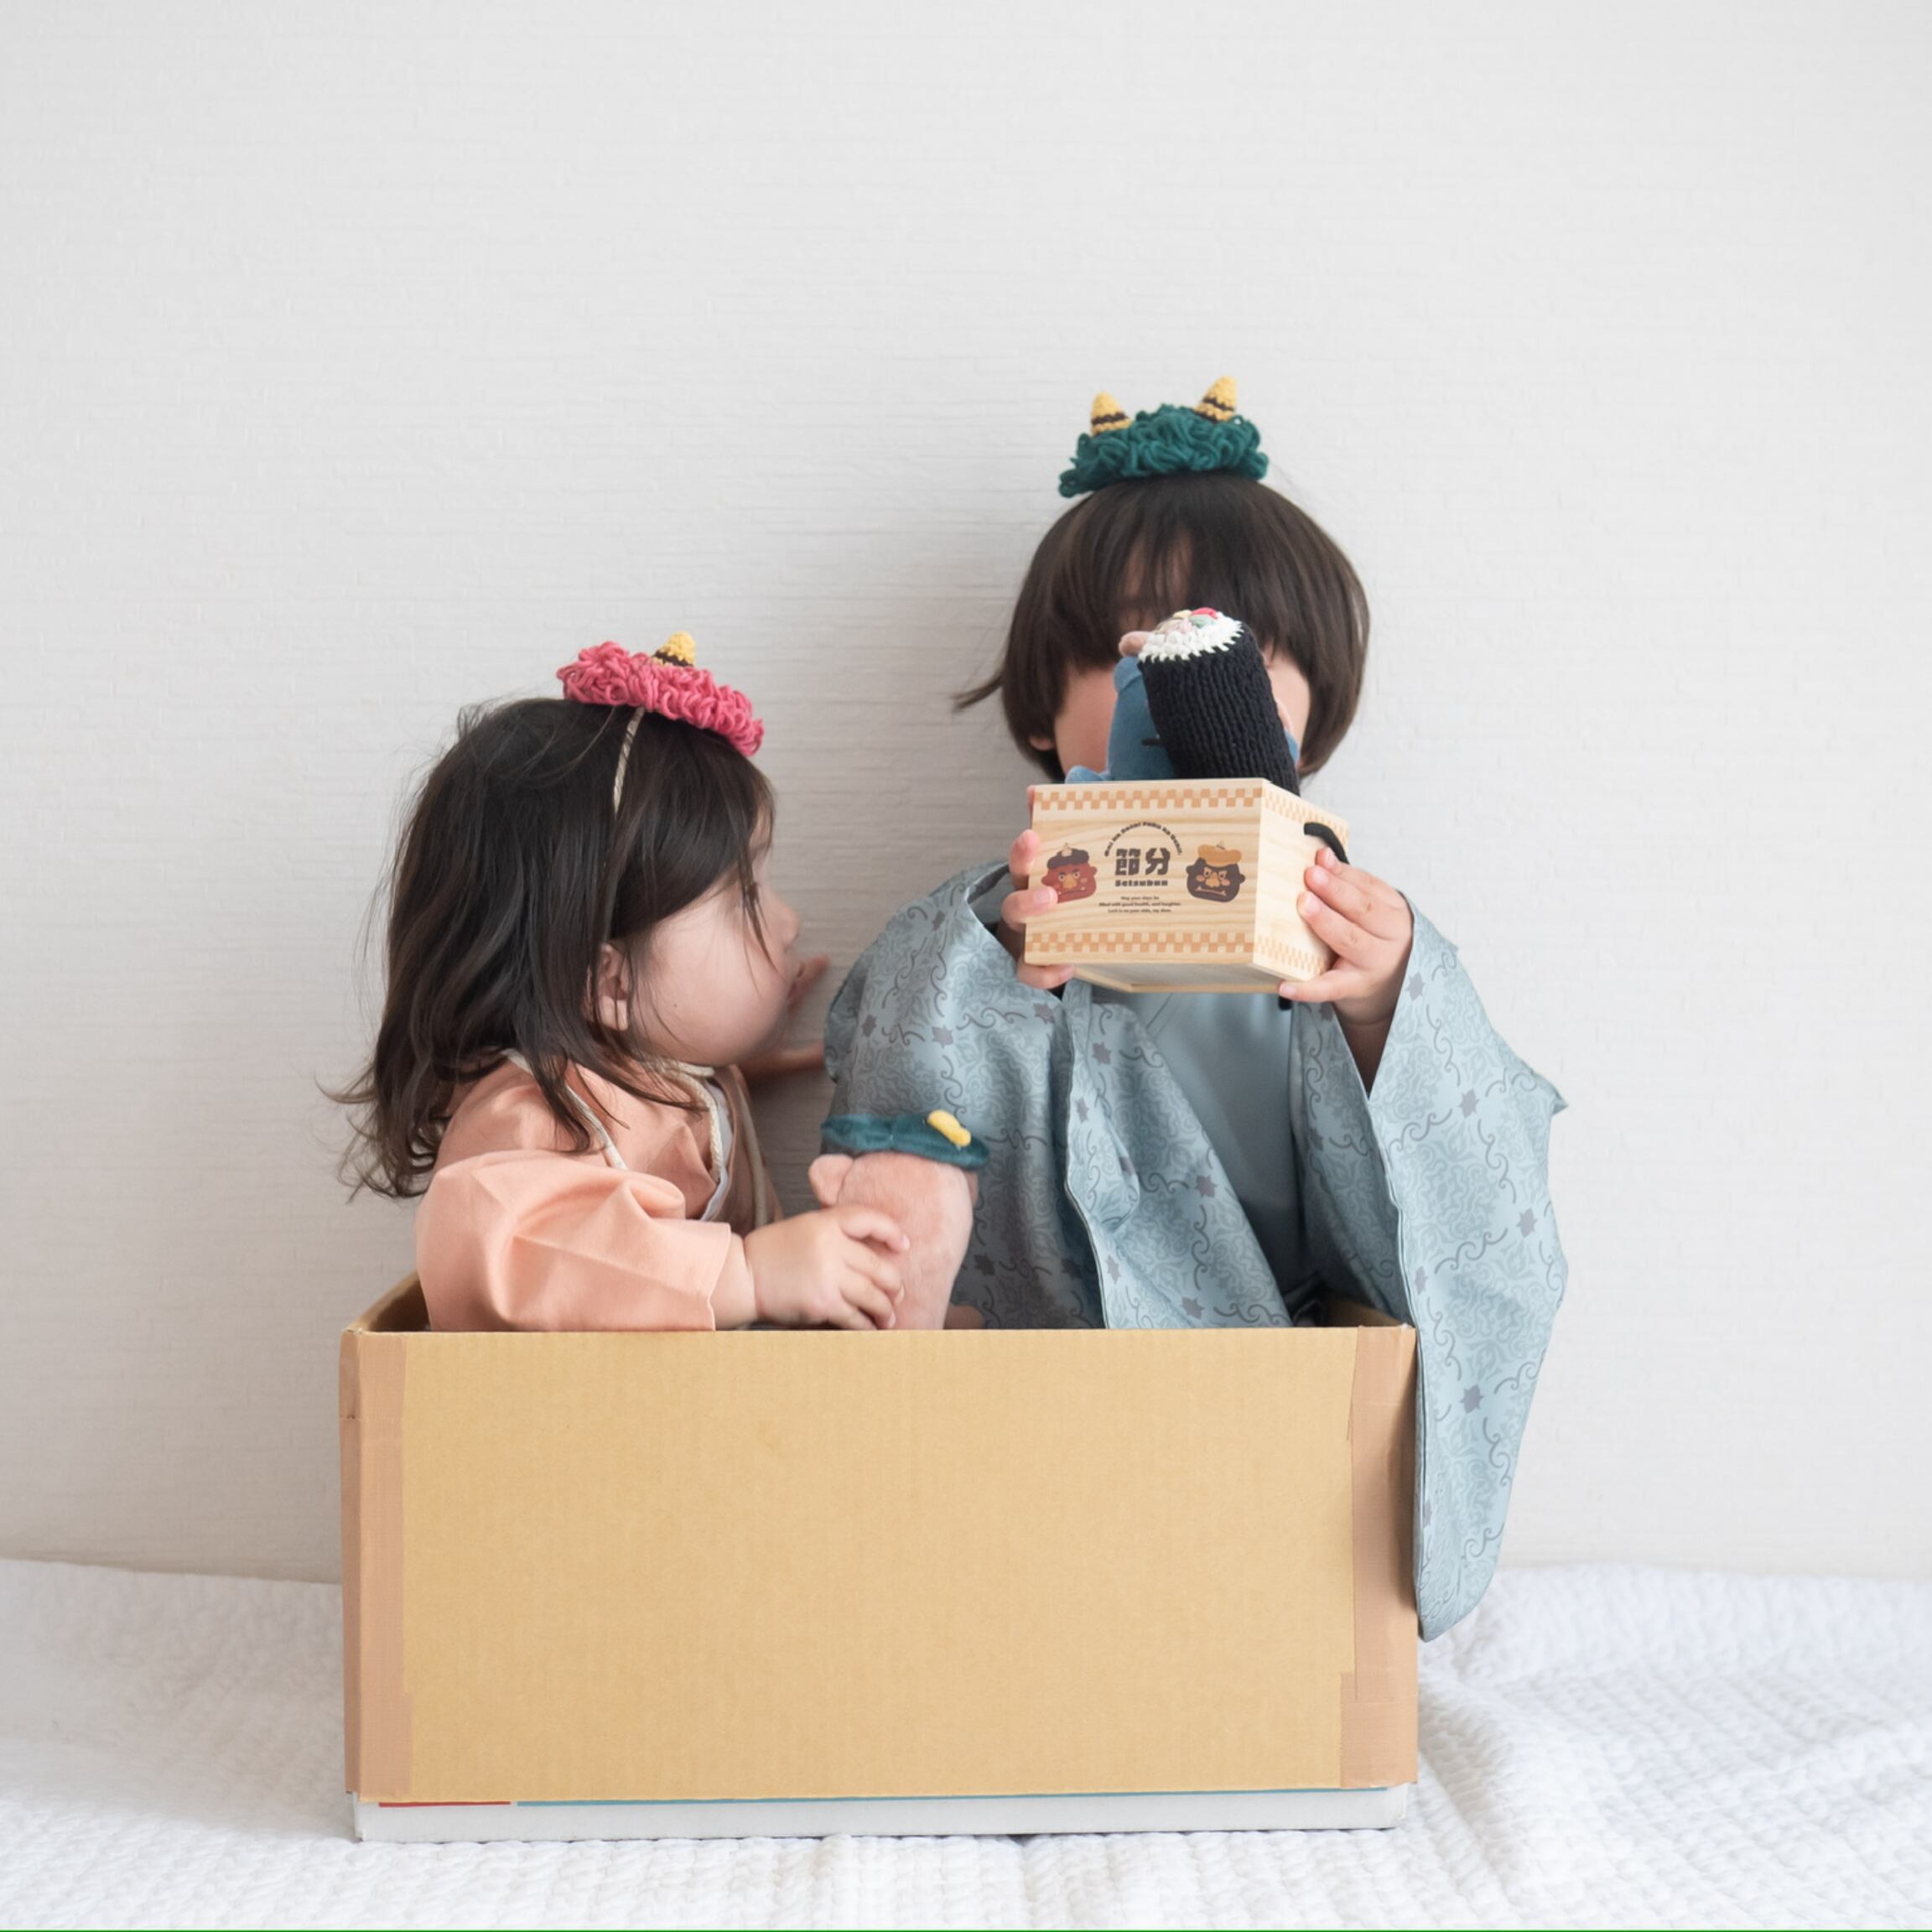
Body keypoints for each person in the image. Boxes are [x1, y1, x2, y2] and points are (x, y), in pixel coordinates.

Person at [823, 380, 1569, 1636]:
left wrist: (1389, 996)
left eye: (1233, 646)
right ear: (1045, 706)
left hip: (1286, 1373)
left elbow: (1471, 1162)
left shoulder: (1344, 914)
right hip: (1060, 1368)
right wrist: (992, 966)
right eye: (1126, 646)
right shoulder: (1002, 915)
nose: (1167, 676)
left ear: (1312, 707)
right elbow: (891, 1080)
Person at [340, 633, 916, 1332]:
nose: (789, 923)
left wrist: (733, 1068)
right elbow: (503, 1244)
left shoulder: (645, 1075)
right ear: (610, 982)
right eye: (746, 898)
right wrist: (750, 1273)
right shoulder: (542, 1116)